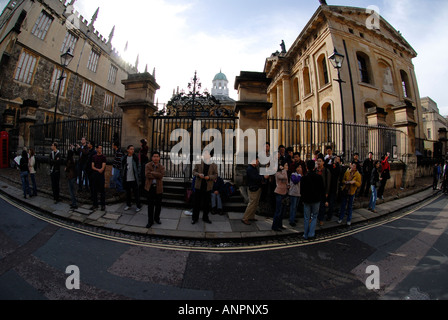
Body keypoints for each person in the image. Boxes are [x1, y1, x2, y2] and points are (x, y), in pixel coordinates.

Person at [300, 160, 325, 241]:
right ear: (314, 167)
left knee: (306, 217)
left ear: (307, 168)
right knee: (314, 216)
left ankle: (305, 234)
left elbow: (301, 191)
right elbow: (322, 189)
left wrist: (303, 199)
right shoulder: (319, 177)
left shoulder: (304, 178)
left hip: (307, 200)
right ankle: (311, 233)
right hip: (316, 200)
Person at [192, 150, 218, 225]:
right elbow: (193, 171)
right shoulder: (198, 162)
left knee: (206, 204)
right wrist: (198, 174)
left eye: (206, 153)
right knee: (196, 203)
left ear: (210, 156)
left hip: (208, 187)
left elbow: (216, 175)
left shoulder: (214, 165)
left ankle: (205, 217)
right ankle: (195, 218)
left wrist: (209, 177)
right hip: (199, 186)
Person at [242, 157, 268, 225]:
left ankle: (251, 216)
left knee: (255, 203)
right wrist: (263, 177)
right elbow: (255, 178)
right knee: (252, 203)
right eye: (257, 161)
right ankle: (245, 218)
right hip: (253, 188)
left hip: (256, 187)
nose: (258, 162)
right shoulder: (250, 169)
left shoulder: (253, 168)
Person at [145, 151, 165, 228]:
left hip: (158, 188)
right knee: (150, 206)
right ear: (152, 157)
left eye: (157, 156)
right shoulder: (147, 165)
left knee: (158, 205)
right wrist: (156, 174)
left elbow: (161, 176)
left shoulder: (162, 167)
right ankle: (150, 221)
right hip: (150, 188)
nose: (156, 158)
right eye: (154, 156)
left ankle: (157, 218)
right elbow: (147, 174)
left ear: (159, 158)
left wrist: (152, 173)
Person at [122, 145, 142, 212]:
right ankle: (128, 204)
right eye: (131, 149)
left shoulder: (135, 158)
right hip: (127, 178)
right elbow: (122, 167)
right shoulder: (124, 158)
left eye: (133, 149)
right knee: (128, 193)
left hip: (134, 178)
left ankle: (138, 206)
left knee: (136, 193)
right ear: (127, 150)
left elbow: (139, 166)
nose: (132, 150)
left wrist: (138, 174)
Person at [272, 162, 289, 232]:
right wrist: (284, 170)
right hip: (279, 193)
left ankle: (280, 225)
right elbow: (284, 177)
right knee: (278, 210)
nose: (287, 166)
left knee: (282, 211)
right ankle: (274, 226)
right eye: (286, 165)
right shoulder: (278, 173)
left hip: (284, 193)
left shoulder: (285, 172)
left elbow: (286, 181)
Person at [91, 145, 107, 211]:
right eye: (99, 148)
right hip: (95, 175)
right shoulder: (94, 157)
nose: (100, 149)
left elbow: (103, 166)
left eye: (101, 148)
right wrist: (98, 170)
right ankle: (95, 204)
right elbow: (92, 166)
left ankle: (103, 205)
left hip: (101, 175)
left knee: (102, 191)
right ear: (96, 149)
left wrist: (101, 169)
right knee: (94, 190)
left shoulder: (103, 157)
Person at [316, 155, 331, 226]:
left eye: (320, 161)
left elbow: (328, 182)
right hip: (316, 191)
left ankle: (321, 219)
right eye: (317, 161)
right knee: (315, 206)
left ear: (323, 162)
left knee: (322, 206)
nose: (318, 163)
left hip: (323, 191)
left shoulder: (326, 171)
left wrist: (327, 192)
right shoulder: (315, 170)